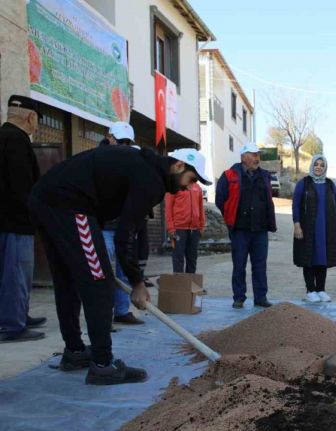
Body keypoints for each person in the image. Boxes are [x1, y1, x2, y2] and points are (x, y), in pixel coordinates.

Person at [29, 145, 212, 385]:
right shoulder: (151, 180)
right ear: (178, 166)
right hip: (70, 205)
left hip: (45, 200)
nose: (189, 186)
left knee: (68, 280)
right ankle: (103, 365)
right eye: (191, 179)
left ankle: (74, 352)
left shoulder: (144, 167)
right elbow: (124, 235)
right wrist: (137, 282)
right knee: (99, 282)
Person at [0, 95, 46, 343]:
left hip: (5, 221)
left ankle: (16, 315)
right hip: (16, 223)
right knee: (17, 273)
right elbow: (22, 187)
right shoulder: (17, 141)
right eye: (37, 119)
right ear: (31, 117)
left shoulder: (3, 136)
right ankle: (13, 325)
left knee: (8, 274)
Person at [216, 142, 276, 309]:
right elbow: (221, 200)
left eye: (258, 154)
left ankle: (261, 297)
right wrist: (230, 217)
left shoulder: (264, 175)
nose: (258, 157)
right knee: (239, 265)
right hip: (240, 230)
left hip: (260, 230)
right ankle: (239, 297)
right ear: (243, 157)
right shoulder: (229, 175)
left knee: (260, 265)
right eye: (254, 154)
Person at [97, 123, 144, 325]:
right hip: (103, 226)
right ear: (110, 137)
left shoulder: (133, 161)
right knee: (103, 272)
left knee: (124, 271)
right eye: (120, 141)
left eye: (127, 142)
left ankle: (122, 311)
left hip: (124, 227)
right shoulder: (97, 160)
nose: (124, 145)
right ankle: (103, 315)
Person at [292, 155, 336, 302]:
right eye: (316, 164)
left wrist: (333, 221)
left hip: (326, 229)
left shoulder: (330, 184)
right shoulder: (303, 183)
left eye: (321, 165)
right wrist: (297, 224)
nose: (318, 167)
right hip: (307, 227)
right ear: (312, 166)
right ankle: (310, 290)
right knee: (309, 257)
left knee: (322, 258)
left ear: (325, 167)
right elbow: (295, 205)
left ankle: (321, 289)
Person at [166, 179, 205, 273]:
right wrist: (171, 228)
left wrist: (201, 226)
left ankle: (190, 285)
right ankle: (179, 285)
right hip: (178, 229)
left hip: (194, 229)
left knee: (192, 258)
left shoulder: (197, 187)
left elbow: (201, 207)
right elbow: (168, 208)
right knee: (178, 257)